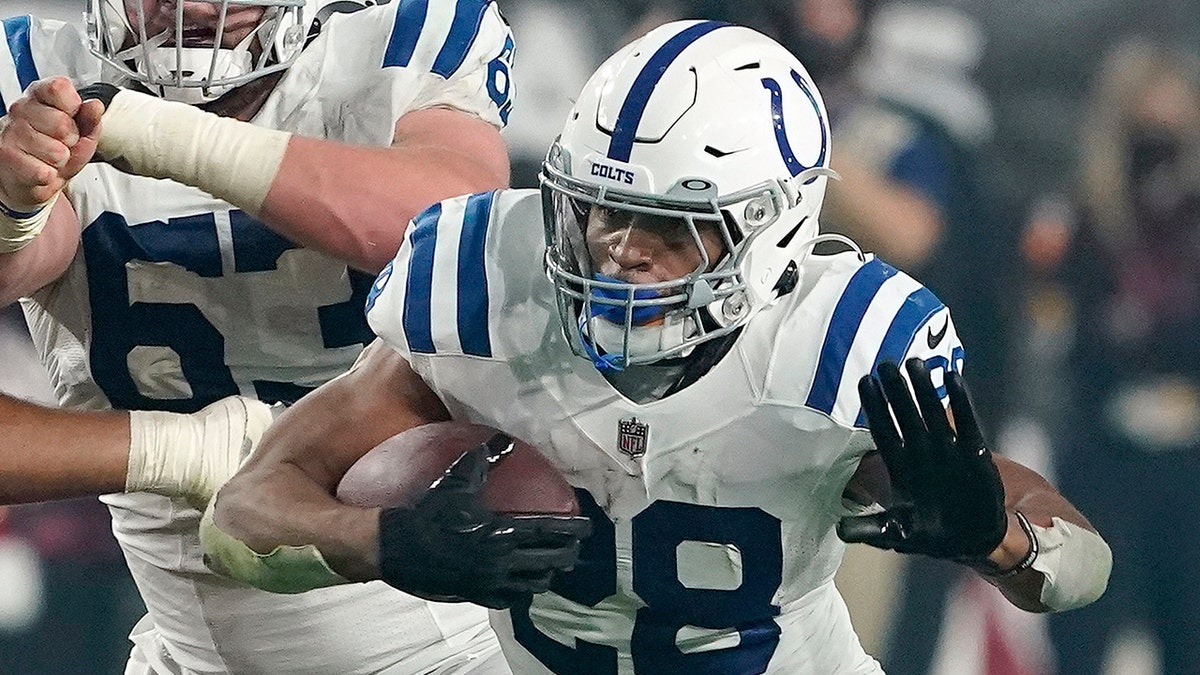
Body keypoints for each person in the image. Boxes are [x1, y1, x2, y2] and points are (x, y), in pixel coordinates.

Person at [202, 21, 1113, 673]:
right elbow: (241, 517)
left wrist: (998, 535)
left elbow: (1080, 569)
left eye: (668, 227)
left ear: (773, 232)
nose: (619, 248)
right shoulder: (485, 293)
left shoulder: (835, 346)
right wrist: (386, 542)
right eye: (601, 209)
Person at [0, 0, 517, 672]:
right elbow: (34, 249)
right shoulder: (35, 80)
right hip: (188, 652)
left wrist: (169, 138)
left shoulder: (394, 49)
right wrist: (15, 203)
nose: (191, 7)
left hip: (445, 651)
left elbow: (455, 229)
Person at [1029, 38, 1200, 674]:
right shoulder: (1079, 213)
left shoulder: (1190, 217)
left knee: (1187, 626)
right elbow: (1052, 330)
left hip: (1189, 459)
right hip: (1101, 447)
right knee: (1084, 626)